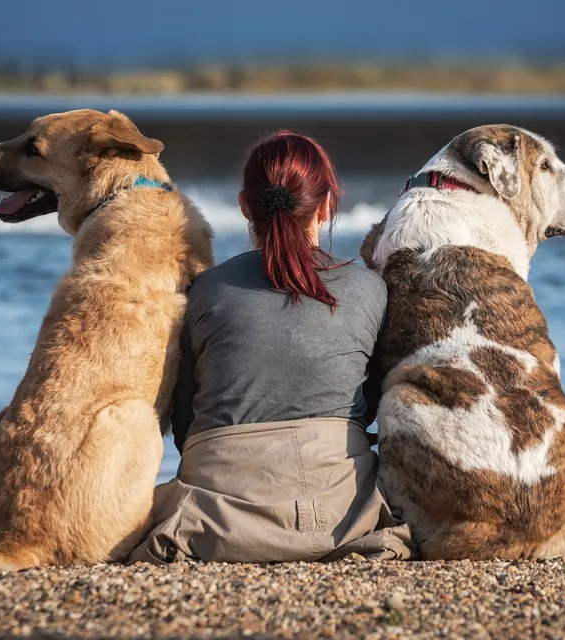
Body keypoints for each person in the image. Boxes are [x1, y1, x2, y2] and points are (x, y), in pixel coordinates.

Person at [128, 131, 414, 563]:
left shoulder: (205, 290)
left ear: (245, 207)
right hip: (341, 514)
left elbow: (186, 425)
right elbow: (372, 405)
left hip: (215, 516)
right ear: (328, 205)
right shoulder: (369, 288)